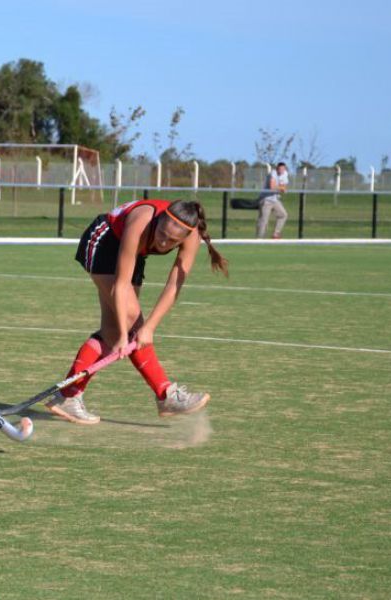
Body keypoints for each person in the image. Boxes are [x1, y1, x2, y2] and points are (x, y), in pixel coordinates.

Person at [46, 198, 229, 425]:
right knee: (129, 325)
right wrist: (126, 334)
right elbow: (121, 285)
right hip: (103, 241)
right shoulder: (142, 221)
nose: (162, 242)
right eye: (161, 233)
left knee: (112, 333)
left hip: (135, 253)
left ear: (184, 237)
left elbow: (174, 286)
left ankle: (68, 396)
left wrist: (150, 327)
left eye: (171, 241)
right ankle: (166, 394)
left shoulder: (193, 236)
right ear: (159, 219)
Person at [256, 162, 289, 239]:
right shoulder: (273, 173)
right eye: (280, 169)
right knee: (264, 220)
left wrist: (281, 188)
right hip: (266, 199)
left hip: (275, 199)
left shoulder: (285, 174)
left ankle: (276, 234)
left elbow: (283, 186)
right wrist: (281, 188)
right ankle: (259, 239)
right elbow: (272, 186)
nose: (281, 170)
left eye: (283, 169)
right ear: (277, 168)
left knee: (283, 215)